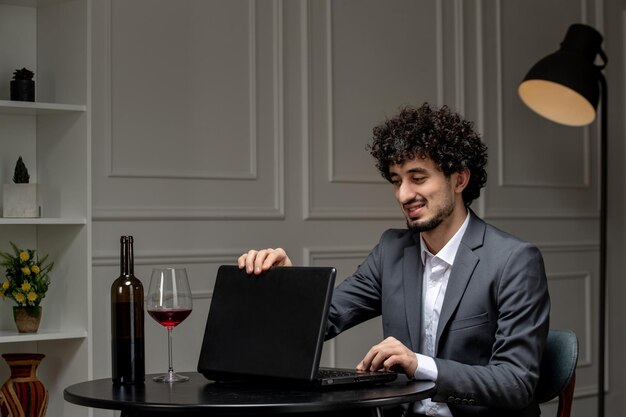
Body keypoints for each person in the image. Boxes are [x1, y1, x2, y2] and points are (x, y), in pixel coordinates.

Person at [238, 103, 550, 417]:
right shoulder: (392, 250)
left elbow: (516, 382)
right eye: (397, 180)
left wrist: (419, 364)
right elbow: (325, 318)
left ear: (459, 180)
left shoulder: (514, 260)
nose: (403, 195)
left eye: (417, 178)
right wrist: (289, 285)